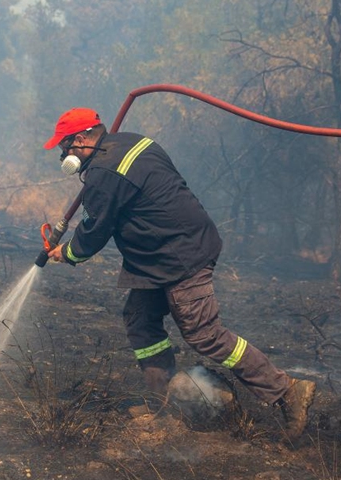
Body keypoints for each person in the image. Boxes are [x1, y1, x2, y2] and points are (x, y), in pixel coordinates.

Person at [43, 107, 316, 440]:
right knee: (140, 320)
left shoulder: (104, 173)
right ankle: (164, 403)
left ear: (84, 138)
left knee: (204, 333)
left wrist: (67, 252)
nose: (63, 154)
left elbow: (96, 230)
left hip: (180, 255)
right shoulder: (131, 142)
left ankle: (286, 390)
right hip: (158, 257)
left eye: (66, 145)